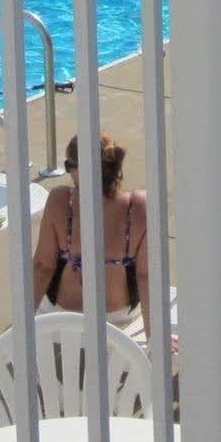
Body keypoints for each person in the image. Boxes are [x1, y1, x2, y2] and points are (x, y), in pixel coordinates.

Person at [32, 133, 154, 342]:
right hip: (116, 319)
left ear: (80, 168)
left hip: (63, 314)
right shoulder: (139, 205)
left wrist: (21, 325)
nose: (68, 171)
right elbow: (145, 276)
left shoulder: (60, 200)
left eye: (69, 165)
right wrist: (155, 335)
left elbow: (43, 267)